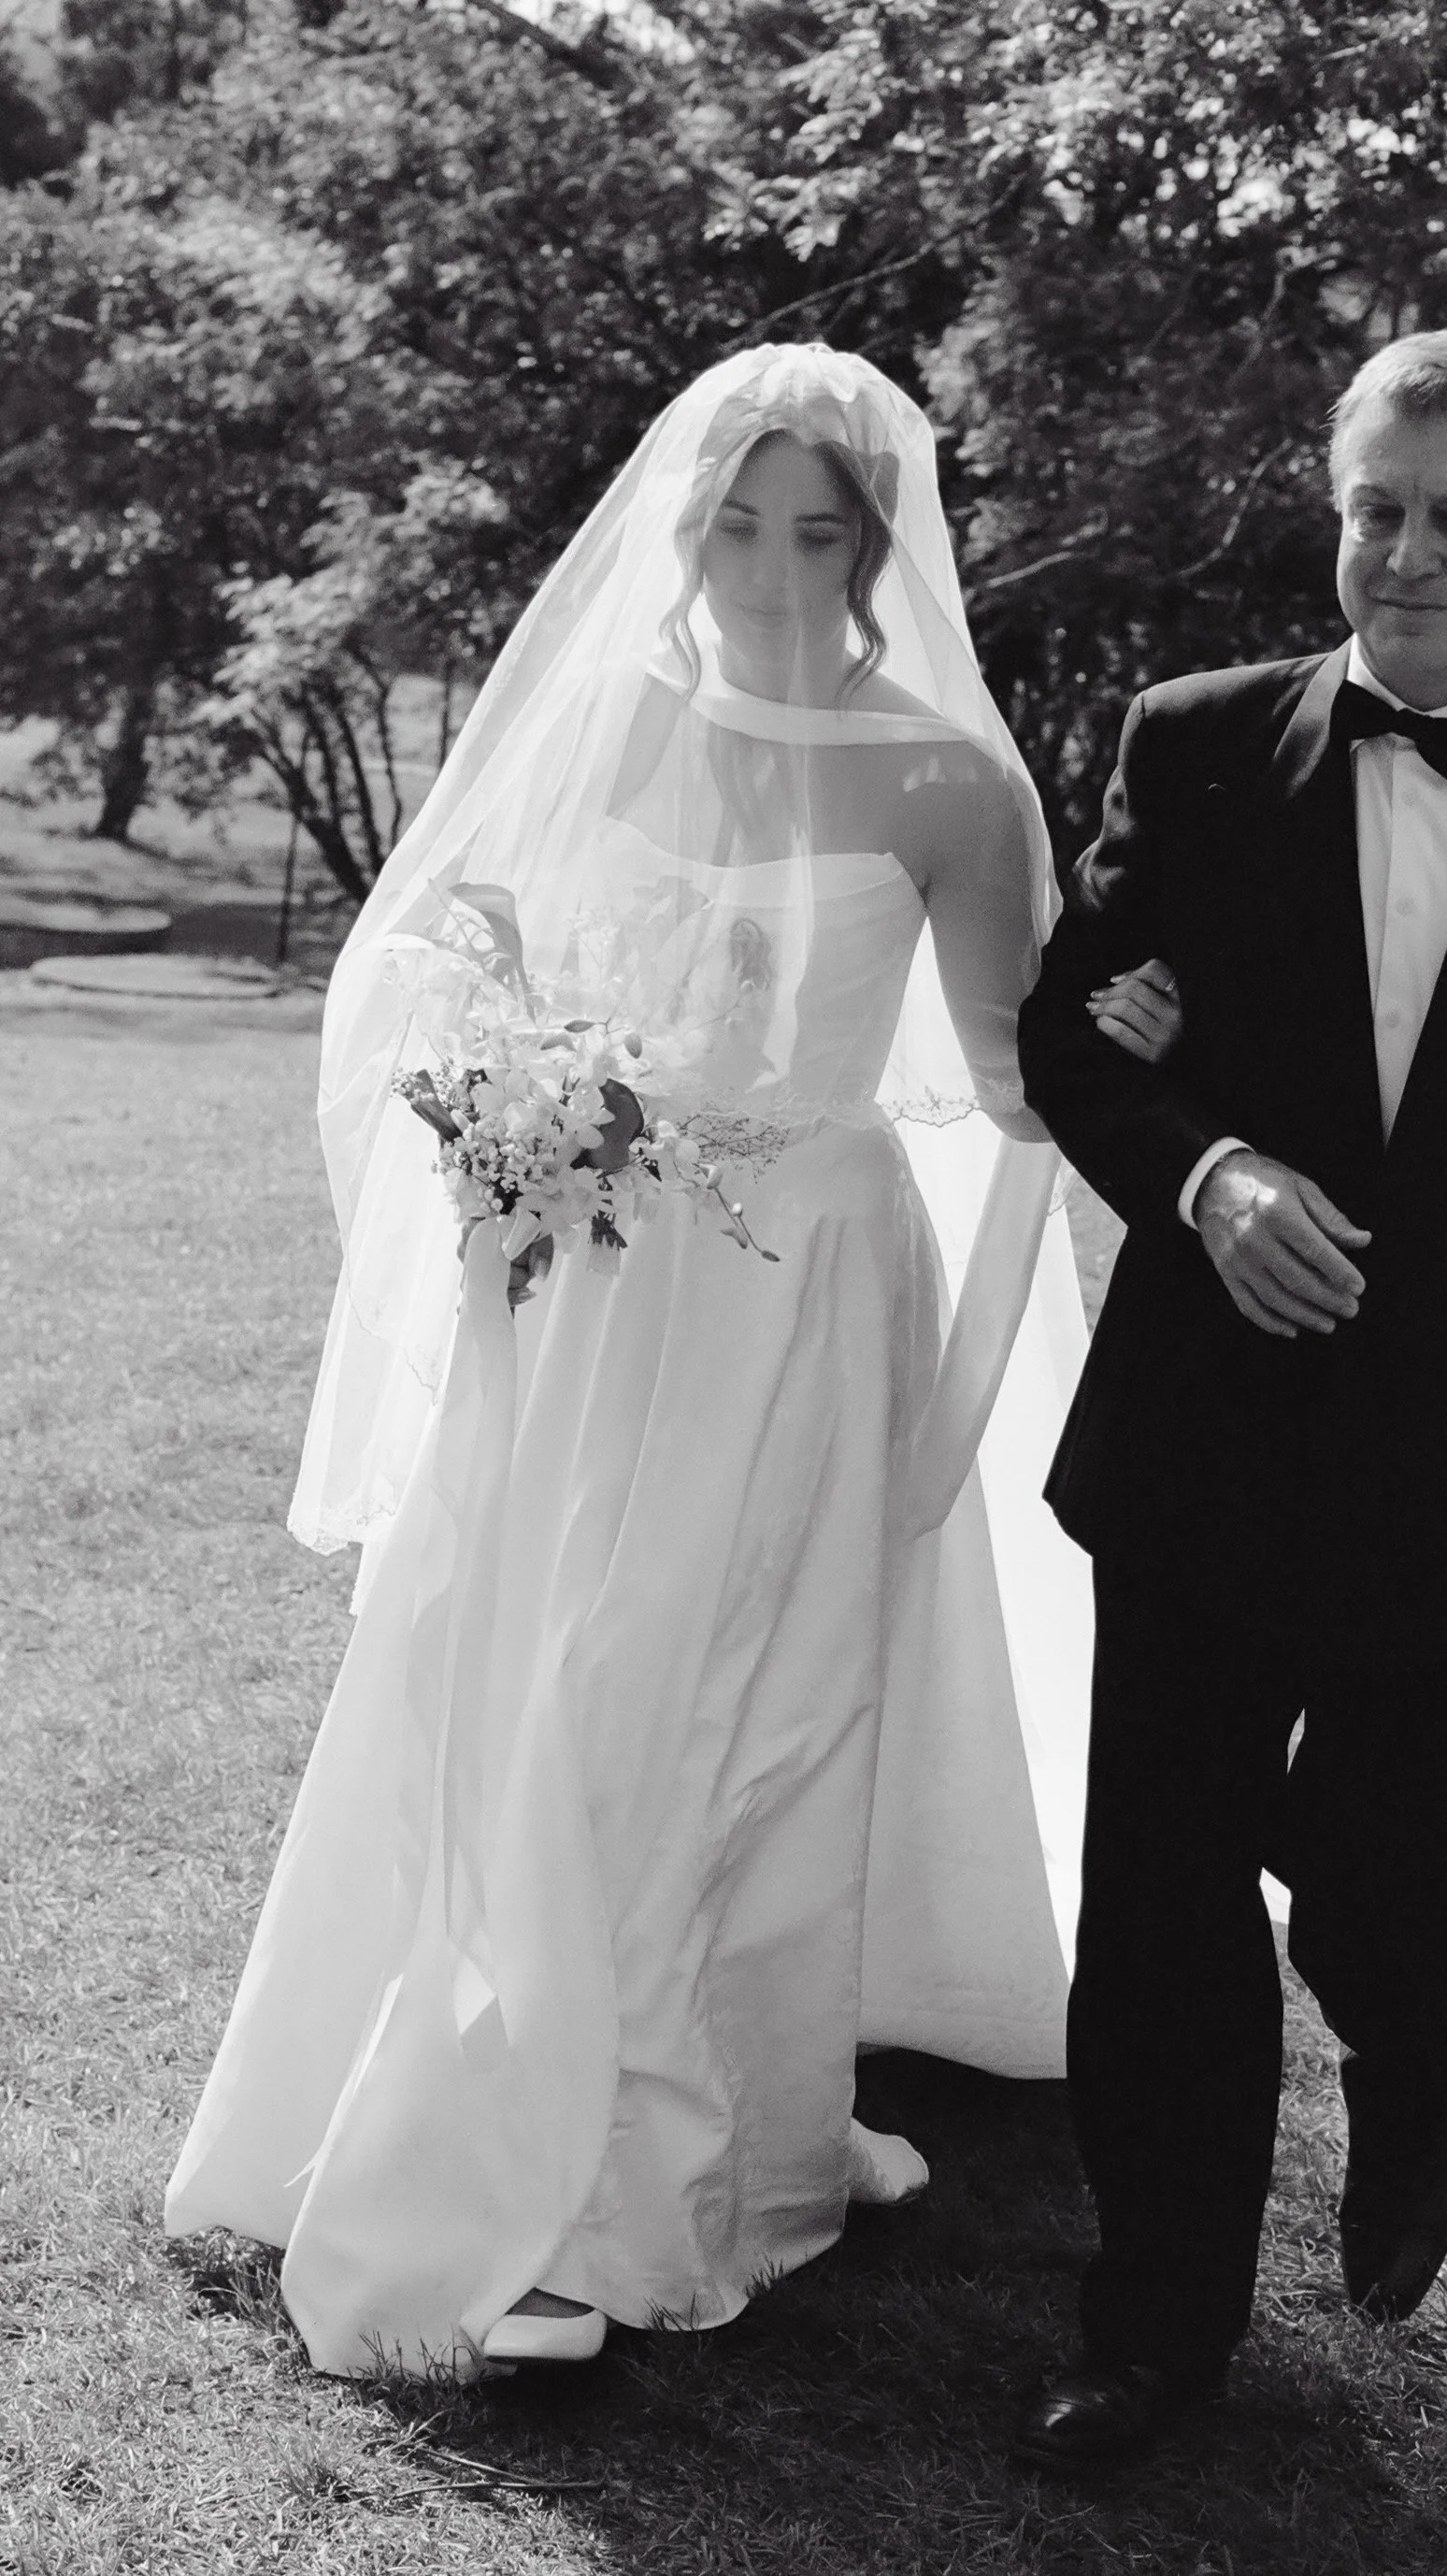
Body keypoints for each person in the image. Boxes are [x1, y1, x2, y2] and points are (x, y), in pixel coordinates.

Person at [164, 344, 1120, 2376]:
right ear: (682, 530)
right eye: (737, 523)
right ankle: (468, 2101)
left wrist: (1143, 1037)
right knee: (538, 1672)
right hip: (585, 1275)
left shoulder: (948, 779)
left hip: (799, 1286)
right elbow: (444, 957)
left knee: (746, 1694)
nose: (775, 565)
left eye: (819, 528)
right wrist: (501, 1108)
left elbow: (1014, 1080)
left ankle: (719, 2143)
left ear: (877, 547)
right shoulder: (603, 725)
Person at [1012, 329, 1447, 2469]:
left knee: (1402, 1910)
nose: (1404, 557)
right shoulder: (1196, 744)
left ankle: (1416, 2078)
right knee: (1160, 1900)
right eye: (1374, 510)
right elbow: (1077, 1036)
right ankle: (1156, 2328)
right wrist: (1204, 1172)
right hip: (1209, 1436)